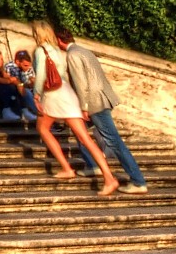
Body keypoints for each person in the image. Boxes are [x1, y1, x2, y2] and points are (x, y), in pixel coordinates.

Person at [31, 21, 120, 196]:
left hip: (53, 95)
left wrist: (36, 94)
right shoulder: (57, 51)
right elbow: (63, 74)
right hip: (66, 92)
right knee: (85, 137)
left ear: (38, 34)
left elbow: (41, 75)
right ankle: (109, 177)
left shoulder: (40, 51)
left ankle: (66, 168)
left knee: (42, 128)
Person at [56, 25, 148, 193]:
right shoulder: (85, 51)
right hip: (101, 98)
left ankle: (137, 181)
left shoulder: (72, 55)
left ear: (59, 41)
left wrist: (83, 107)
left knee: (114, 141)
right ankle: (92, 164)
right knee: (79, 130)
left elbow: (81, 83)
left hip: (93, 103)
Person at [0, 48, 38, 123]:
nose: (2, 61)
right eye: (0, 59)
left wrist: (19, 84)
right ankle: (6, 111)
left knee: (14, 87)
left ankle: (24, 110)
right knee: (2, 85)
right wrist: (12, 80)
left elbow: (12, 79)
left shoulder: (0, 70)